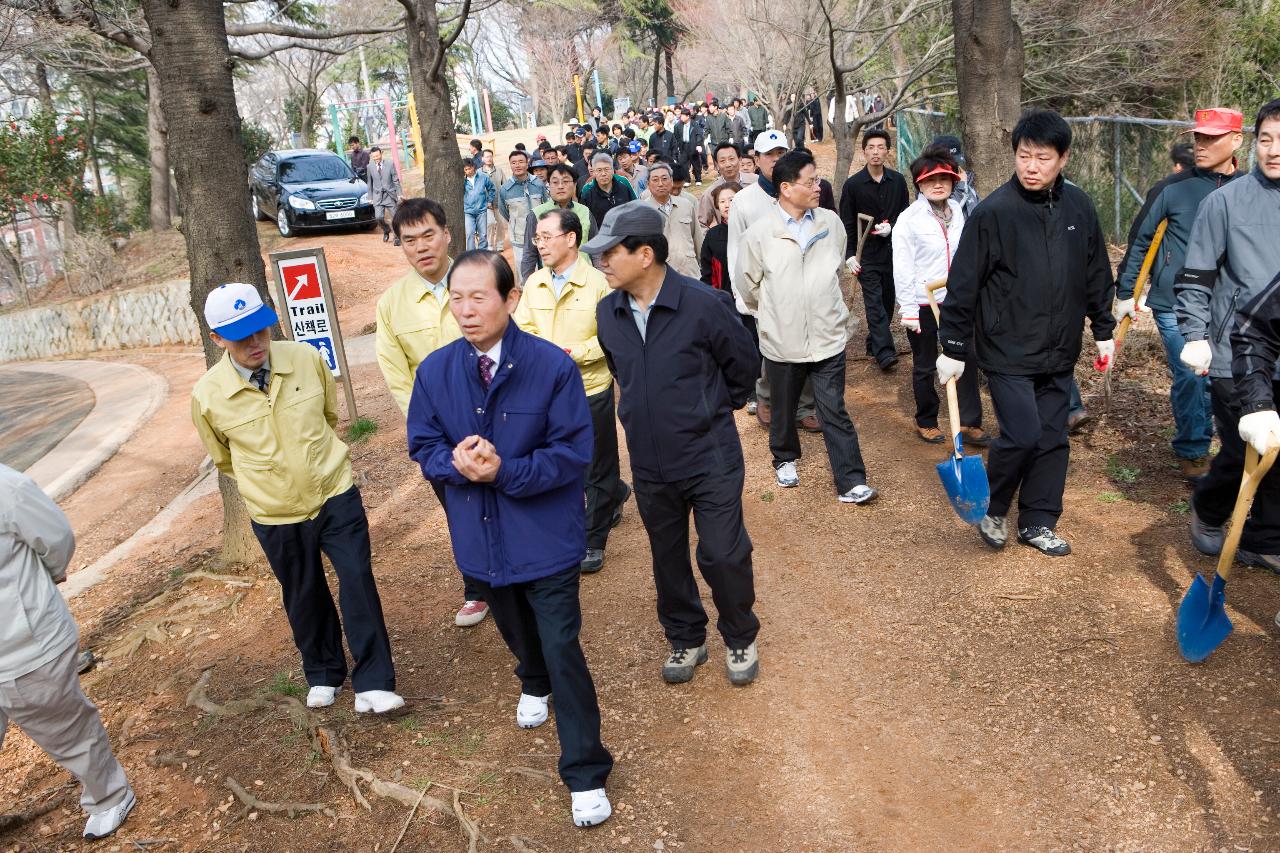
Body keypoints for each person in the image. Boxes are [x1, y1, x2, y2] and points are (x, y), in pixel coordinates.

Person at [405, 251, 614, 829]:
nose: (466, 311)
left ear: (511, 299)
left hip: (545, 539)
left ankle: (585, 771)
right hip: (480, 538)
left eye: (480, 297)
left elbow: (573, 454)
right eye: (457, 298)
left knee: (563, 645)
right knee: (517, 630)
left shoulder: (551, 368)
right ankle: (532, 678)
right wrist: (453, 462)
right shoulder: (436, 372)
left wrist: (504, 472)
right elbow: (421, 444)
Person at [192, 282, 405, 712]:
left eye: (261, 330)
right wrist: (271, 480)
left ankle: (375, 681)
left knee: (357, 582)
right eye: (240, 336)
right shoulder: (208, 396)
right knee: (303, 592)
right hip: (275, 512)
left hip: (333, 491)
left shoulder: (306, 359)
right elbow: (224, 458)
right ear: (217, 339)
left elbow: (328, 416)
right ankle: (324, 672)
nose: (255, 343)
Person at [590, 202, 763, 686]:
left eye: (610, 253)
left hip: (709, 457)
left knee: (723, 553)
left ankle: (740, 634)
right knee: (666, 555)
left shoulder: (704, 304)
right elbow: (620, 370)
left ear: (645, 254)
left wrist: (706, 412)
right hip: (649, 462)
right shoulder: (609, 313)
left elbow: (743, 367)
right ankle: (686, 638)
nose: (602, 262)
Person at [937, 109, 1116, 557]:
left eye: (1042, 158)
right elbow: (963, 283)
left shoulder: (1079, 207)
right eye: (1023, 156)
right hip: (1007, 348)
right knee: (1022, 435)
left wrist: (1104, 326)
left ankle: (1037, 520)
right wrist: (953, 346)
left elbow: (1095, 271)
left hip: (1059, 349)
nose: (1031, 167)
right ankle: (995, 506)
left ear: (1063, 159)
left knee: (1053, 439)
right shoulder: (995, 212)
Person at [0, 464, 136, 840]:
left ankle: (110, 796)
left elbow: (56, 540)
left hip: (25, 645)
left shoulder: (7, 487)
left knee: (65, 729)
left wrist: (42, 585)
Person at [738, 149, 878, 503]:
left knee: (833, 409)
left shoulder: (829, 223)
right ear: (786, 188)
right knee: (784, 408)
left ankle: (851, 481)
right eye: (811, 180)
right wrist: (773, 314)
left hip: (828, 335)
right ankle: (785, 457)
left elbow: (834, 270)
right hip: (782, 340)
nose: (819, 186)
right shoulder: (759, 234)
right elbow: (748, 285)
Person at [1176, 98, 1280, 568]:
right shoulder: (1225, 202)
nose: (1274, 151)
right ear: (1253, 142)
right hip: (1232, 351)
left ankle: (1262, 538)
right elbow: (1196, 277)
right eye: (1266, 140)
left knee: (1278, 450)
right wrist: (1195, 334)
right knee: (1243, 448)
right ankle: (1209, 506)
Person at [375, 198, 489, 627]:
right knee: (459, 508)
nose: (421, 247)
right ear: (401, 246)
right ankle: (477, 588)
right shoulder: (392, 304)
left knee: (512, 492)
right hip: (441, 433)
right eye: (409, 240)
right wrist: (430, 429)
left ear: (446, 234)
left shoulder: (483, 276)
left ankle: (527, 574)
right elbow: (397, 375)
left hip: (500, 416)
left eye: (428, 235)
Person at [1116, 108, 1244, 481]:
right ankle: (1193, 448)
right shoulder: (1172, 188)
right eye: (1198, 137)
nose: (1201, 145)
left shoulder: (1252, 189)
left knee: (1221, 377)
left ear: (1236, 141)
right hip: (1176, 302)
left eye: (1211, 138)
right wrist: (1126, 292)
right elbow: (1141, 239)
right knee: (1192, 373)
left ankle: (1225, 444)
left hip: (1231, 305)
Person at [516, 208, 632, 573]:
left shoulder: (599, 282)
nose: (541, 244)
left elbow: (612, 338)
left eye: (547, 236)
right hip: (549, 392)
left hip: (590, 386)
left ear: (571, 238)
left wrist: (572, 355)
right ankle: (614, 492)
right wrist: (544, 358)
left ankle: (593, 539)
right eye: (538, 237)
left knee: (597, 463)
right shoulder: (534, 282)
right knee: (567, 462)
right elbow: (522, 329)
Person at [892, 145, 989, 445]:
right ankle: (927, 419)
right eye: (930, 180)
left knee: (966, 357)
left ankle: (970, 421)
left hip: (955, 299)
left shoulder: (958, 213)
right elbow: (903, 267)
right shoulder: (908, 220)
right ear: (919, 184)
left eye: (944, 179)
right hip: (922, 301)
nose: (938, 184)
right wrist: (908, 308)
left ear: (952, 182)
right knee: (925, 362)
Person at [727, 130, 818, 430]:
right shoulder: (744, 201)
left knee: (804, 344)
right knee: (771, 348)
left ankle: (804, 404)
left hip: (800, 284)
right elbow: (736, 250)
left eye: (781, 154)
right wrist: (741, 293)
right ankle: (767, 397)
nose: (776, 160)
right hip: (763, 288)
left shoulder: (802, 195)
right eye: (770, 155)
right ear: (756, 159)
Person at [839, 128, 911, 370]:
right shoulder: (853, 185)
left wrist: (892, 228)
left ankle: (874, 340)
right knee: (874, 302)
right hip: (866, 254)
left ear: (887, 151)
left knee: (888, 301)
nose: (876, 152)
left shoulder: (898, 182)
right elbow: (847, 222)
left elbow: (906, 215)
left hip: (893, 252)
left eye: (881, 147)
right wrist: (849, 255)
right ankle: (885, 353)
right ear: (864, 152)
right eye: (871, 148)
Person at [521, 164, 594, 280]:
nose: (560, 186)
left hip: (585, 277)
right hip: (551, 281)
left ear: (575, 185)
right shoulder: (536, 214)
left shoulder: (585, 212)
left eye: (565, 181)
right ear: (548, 185)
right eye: (555, 182)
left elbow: (596, 249)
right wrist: (527, 285)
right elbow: (529, 254)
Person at [638, 162, 702, 279]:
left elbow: (697, 238)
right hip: (659, 277)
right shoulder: (642, 211)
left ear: (671, 181)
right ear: (648, 184)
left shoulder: (686, 205)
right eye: (655, 180)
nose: (661, 184)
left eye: (664, 179)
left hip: (690, 273)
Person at [497, 149, 549, 284]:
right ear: (510, 165)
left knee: (544, 266)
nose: (517, 165)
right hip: (519, 236)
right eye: (514, 163)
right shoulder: (505, 190)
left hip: (541, 234)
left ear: (527, 164)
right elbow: (504, 211)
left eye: (521, 162)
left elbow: (547, 205)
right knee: (523, 271)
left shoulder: (538, 184)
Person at [698, 142, 757, 228]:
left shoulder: (756, 182)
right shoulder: (711, 192)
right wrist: (714, 240)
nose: (728, 164)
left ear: (740, 160)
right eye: (722, 161)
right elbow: (701, 224)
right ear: (717, 165)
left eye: (731, 159)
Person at [579, 151, 637, 227]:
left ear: (613, 171)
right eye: (599, 170)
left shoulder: (624, 187)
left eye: (607, 169)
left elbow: (635, 209)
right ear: (594, 172)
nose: (603, 174)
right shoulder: (587, 193)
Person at [929, 134, 980, 217]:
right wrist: (961, 187)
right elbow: (946, 216)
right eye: (947, 163)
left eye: (955, 162)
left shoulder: (965, 180)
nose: (953, 166)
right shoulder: (931, 187)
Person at [700, 183, 737, 291]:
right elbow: (707, 273)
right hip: (725, 298)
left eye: (731, 200)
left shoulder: (752, 229)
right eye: (722, 201)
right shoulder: (713, 235)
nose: (727, 205)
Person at [366, 146, 402, 244]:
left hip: (390, 195)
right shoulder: (370, 167)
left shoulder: (390, 164)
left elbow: (395, 180)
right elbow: (369, 183)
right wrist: (370, 197)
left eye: (377, 156)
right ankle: (386, 230)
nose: (376, 158)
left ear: (381, 153)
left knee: (395, 217)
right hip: (377, 196)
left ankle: (397, 237)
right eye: (374, 157)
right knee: (378, 217)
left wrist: (399, 193)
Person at [462, 158, 497, 250]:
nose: (468, 171)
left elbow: (492, 189)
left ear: (473, 167)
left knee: (483, 234)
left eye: (469, 168)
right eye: (465, 169)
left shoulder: (483, 177)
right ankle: (471, 254)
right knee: (469, 233)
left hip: (481, 210)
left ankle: (482, 252)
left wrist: (489, 201)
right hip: (468, 211)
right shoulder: (462, 180)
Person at [480, 149, 507, 252]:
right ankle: (490, 245)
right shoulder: (478, 172)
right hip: (485, 204)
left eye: (490, 156)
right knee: (490, 223)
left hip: (499, 202)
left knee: (500, 224)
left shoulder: (499, 170)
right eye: (487, 157)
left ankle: (500, 245)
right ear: (482, 159)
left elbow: (505, 185)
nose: (489, 159)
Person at [674, 109, 705, 185]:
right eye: (681, 116)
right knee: (683, 164)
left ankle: (698, 179)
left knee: (696, 163)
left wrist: (698, 144)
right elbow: (676, 136)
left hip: (693, 146)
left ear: (688, 116)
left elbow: (699, 135)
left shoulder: (695, 124)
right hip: (683, 147)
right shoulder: (678, 125)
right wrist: (677, 145)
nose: (681, 117)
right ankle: (687, 180)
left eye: (683, 116)